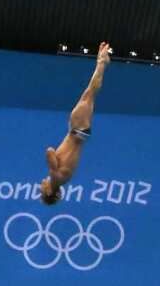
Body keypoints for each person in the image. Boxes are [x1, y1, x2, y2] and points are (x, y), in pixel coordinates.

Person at [40, 42, 111, 205]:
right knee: (89, 93)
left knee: (90, 94)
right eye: (41, 190)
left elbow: (54, 155)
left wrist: (55, 161)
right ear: (50, 191)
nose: (40, 186)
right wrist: (53, 163)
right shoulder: (55, 176)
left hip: (79, 134)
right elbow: (49, 151)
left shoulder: (60, 179)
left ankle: (102, 61)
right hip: (77, 132)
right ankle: (102, 62)